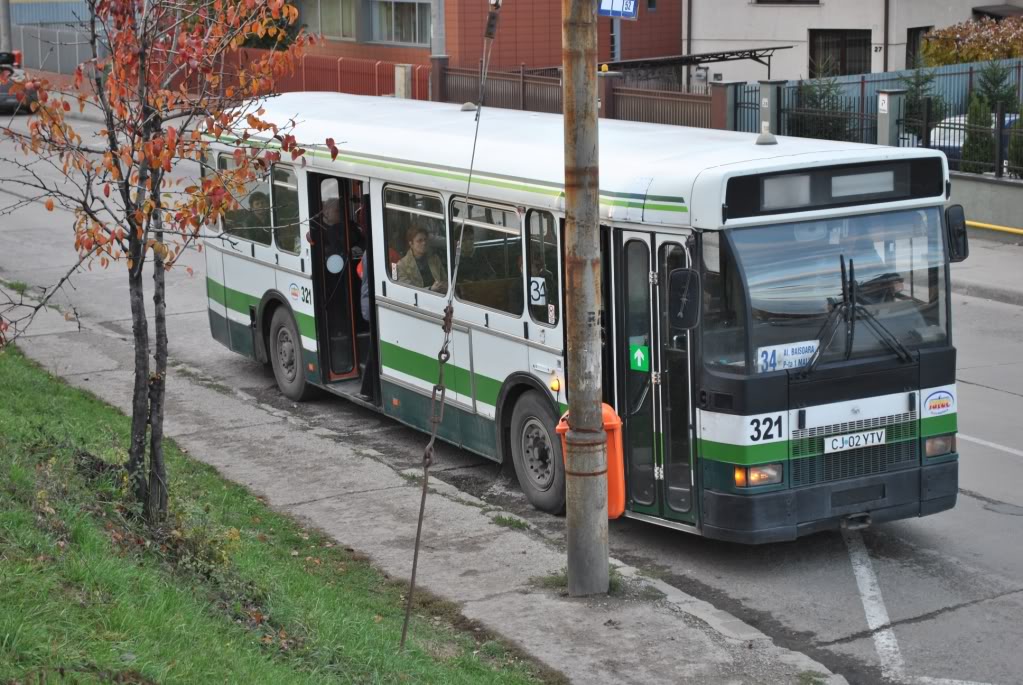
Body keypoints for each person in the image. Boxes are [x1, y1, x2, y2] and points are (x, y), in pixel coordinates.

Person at [396, 225, 447, 293]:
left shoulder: (434, 258)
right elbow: (407, 291)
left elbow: (445, 279)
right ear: (411, 244)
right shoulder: (401, 265)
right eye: (419, 241)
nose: (424, 243)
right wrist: (430, 289)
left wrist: (444, 286)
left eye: (425, 239)